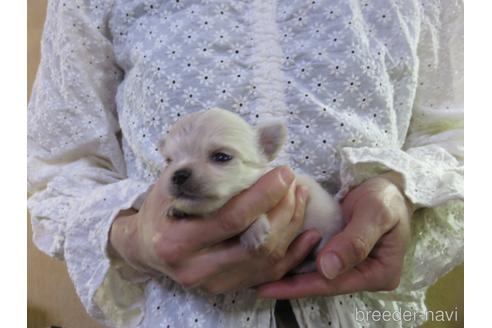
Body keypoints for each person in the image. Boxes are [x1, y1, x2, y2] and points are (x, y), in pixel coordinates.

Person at [27, 0, 463, 327]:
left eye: (220, 157)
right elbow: (57, 165)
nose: (182, 170)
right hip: (178, 311)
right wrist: (131, 235)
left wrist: (403, 190)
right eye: (171, 160)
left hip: (365, 308)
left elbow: (463, 135)